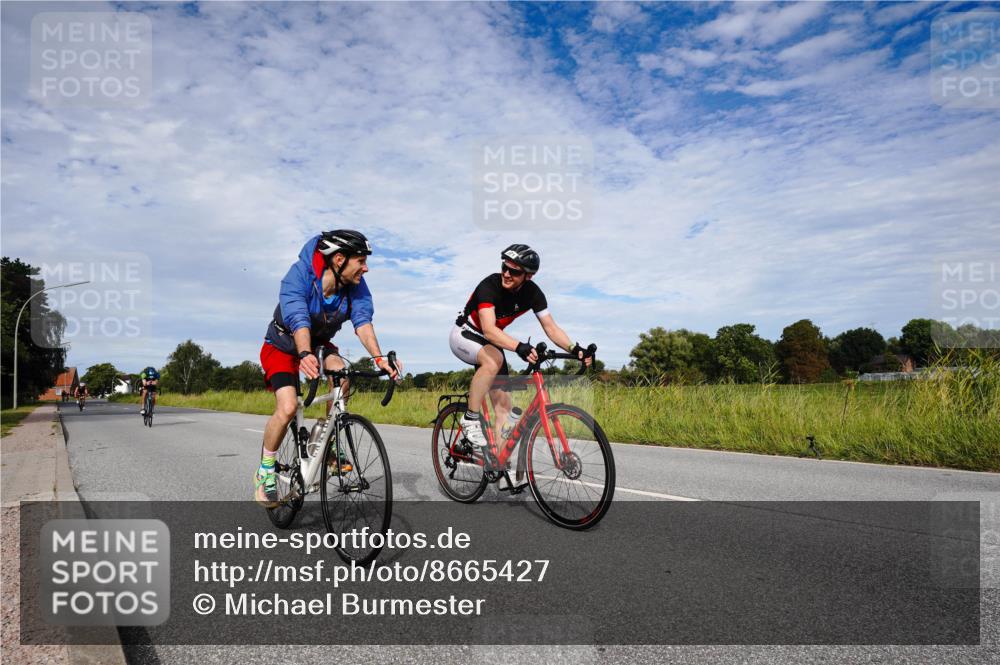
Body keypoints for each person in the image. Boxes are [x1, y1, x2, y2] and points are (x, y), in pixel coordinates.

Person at [254, 230, 401, 507]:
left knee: (342, 377)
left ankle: (326, 442)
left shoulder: (355, 284)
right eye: (361, 260)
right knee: (287, 407)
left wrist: (379, 358)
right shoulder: (299, 275)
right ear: (339, 258)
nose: (365, 267)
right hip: (282, 344)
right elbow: (297, 316)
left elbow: (362, 320)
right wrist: (304, 353)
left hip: (319, 343)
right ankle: (265, 471)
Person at [450, 244, 593, 472]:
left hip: (494, 343)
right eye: (505, 267)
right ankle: (469, 417)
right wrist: (519, 347)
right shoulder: (490, 285)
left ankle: (496, 461)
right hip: (466, 333)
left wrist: (575, 348)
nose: (506, 274)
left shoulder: (533, 293)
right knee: (493, 360)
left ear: (528, 275)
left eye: (514, 272)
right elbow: (488, 330)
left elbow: (551, 327)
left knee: (504, 407)